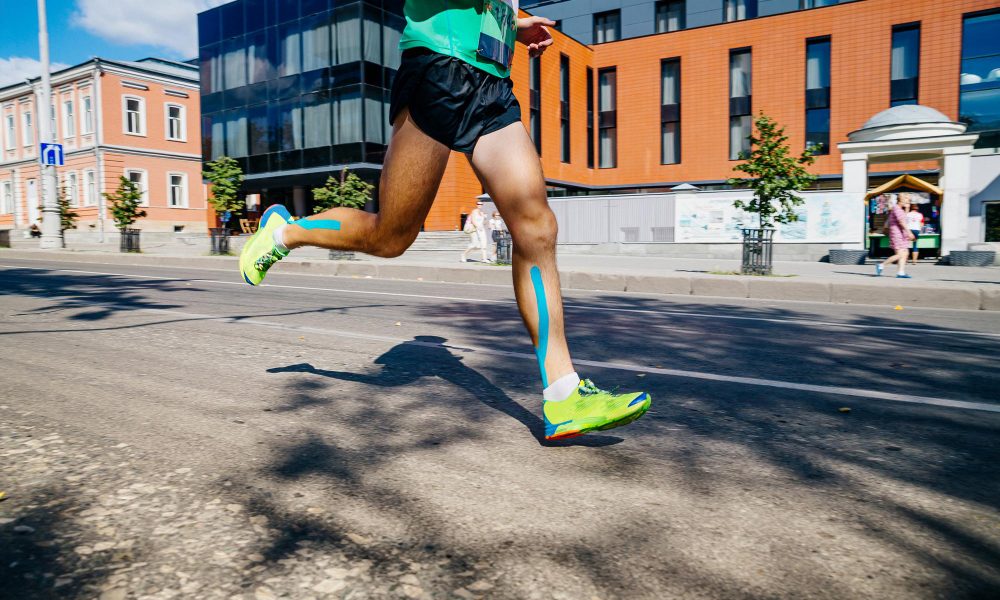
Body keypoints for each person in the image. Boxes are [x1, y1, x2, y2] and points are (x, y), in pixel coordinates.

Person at [238, 0, 650, 441]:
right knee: (390, 237)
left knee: (537, 226)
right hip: (439, 68)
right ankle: (286, 232)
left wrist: (512, 23)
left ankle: (564, 393)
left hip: (493, 85)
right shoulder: (397, 354)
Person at [876, 194, 915, 279]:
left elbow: (903, 218)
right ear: (901, 200)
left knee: (905, 253)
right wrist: (909, 233)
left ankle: (901, 272)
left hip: (901, 234)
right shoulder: (897, 209)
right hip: (897, 234)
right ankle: (881, 265)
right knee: (901, 254)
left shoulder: (899, 209)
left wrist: (907, 209)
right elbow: (902, 222)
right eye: (907, 199)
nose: (908, 201)